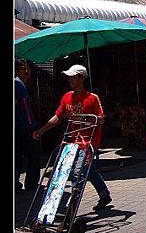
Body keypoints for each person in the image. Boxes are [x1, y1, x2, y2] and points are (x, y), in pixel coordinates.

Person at [33, 65, 112, 211]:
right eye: (69, 77)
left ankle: (72, 206)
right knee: (87, 169)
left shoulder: (92, 98)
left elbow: (101, 118)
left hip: (88, 142)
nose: (69, 79)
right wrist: (42, 130)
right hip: (71, 141)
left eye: (73, 77)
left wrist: (92, 120)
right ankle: (104, 194)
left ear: (81, 78)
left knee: (79, 172)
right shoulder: (67, 97)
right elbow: (58, 116)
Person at [15, 59, 41, 193]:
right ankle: (31, 184)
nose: (26, 72)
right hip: (24, 126)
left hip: (25, 125)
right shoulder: (17, 84)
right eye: (22, 69)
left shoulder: (21, 84)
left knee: (19, 155)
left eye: (27, 69)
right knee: (33, 154)